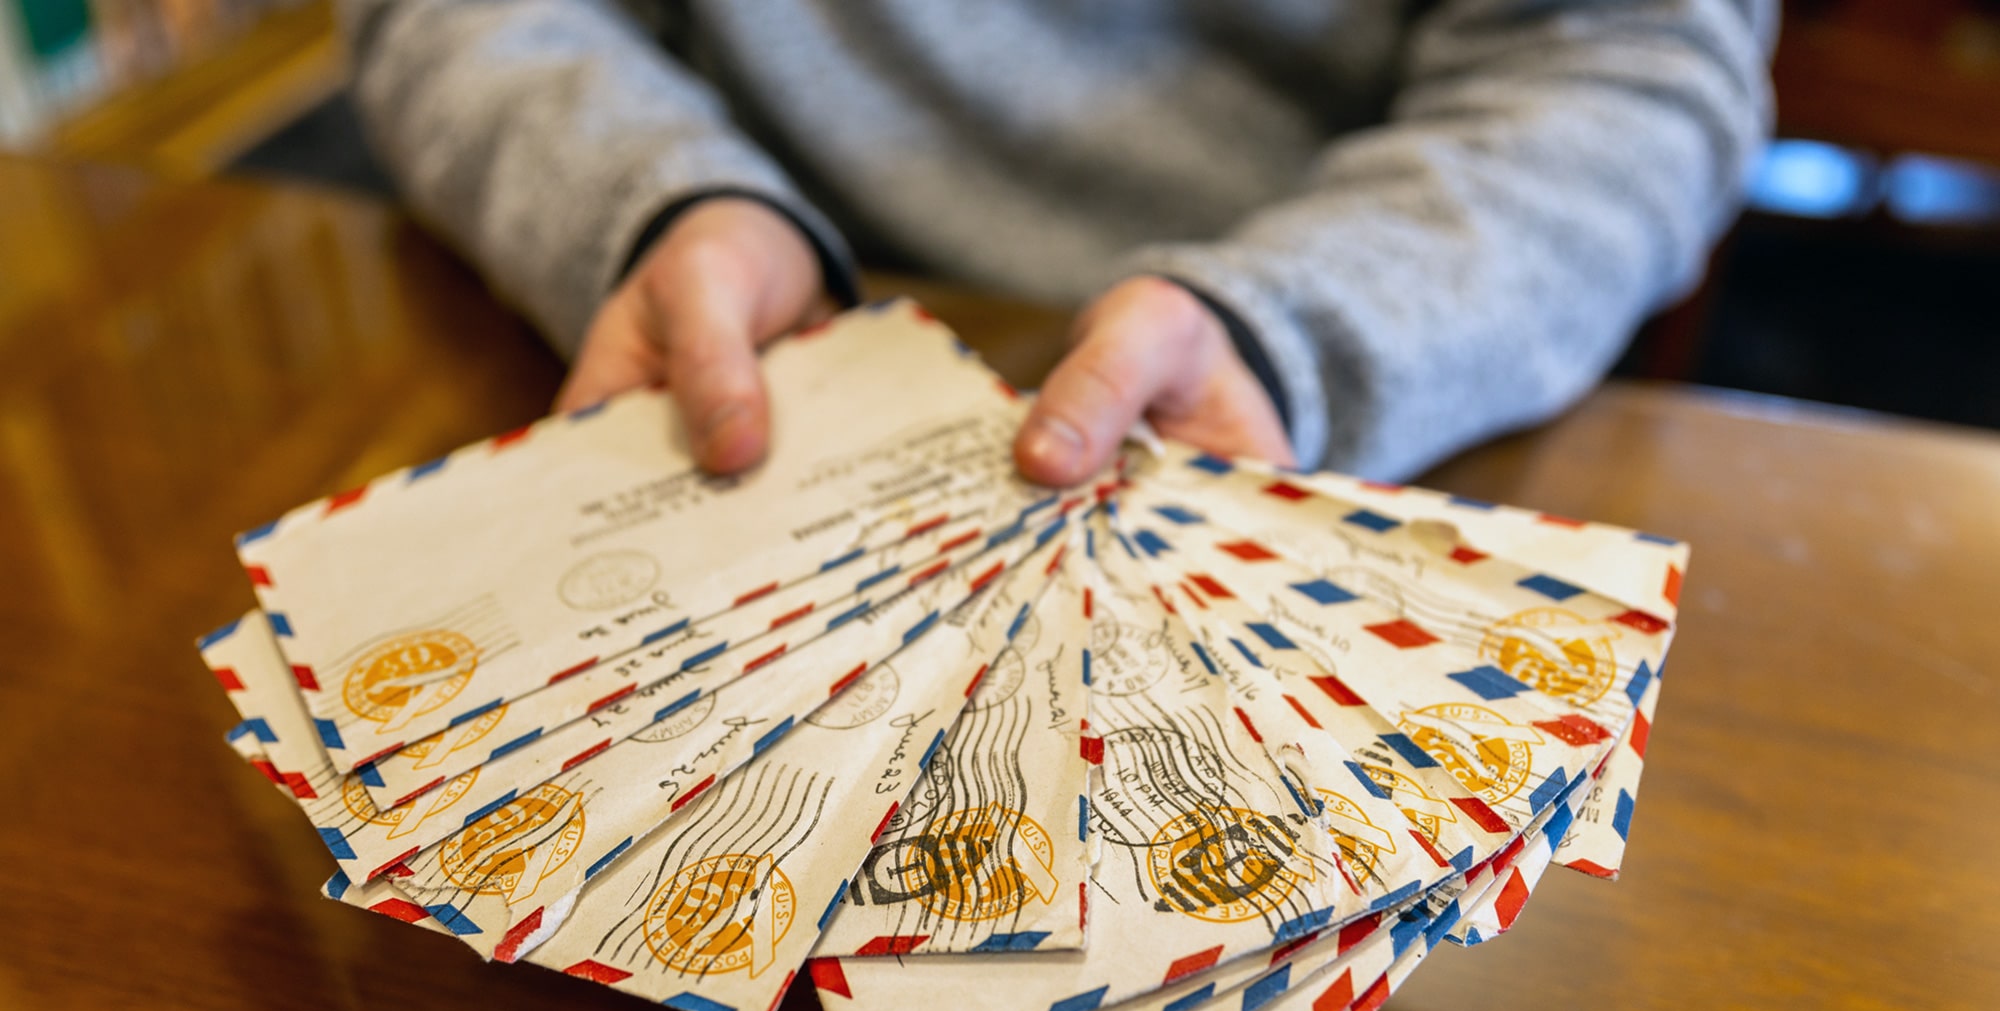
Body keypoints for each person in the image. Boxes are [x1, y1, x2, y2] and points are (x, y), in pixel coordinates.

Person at [340, 0, 1774, 485]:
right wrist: (650, 202)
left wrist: (1295, 328)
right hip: (724, 349)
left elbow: (1627, 65)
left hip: (1325, 402)